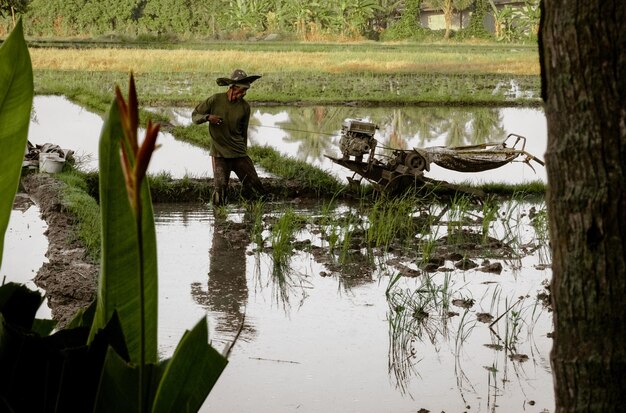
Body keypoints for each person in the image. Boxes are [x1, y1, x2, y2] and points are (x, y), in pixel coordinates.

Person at [192, 69, 264, 206]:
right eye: (242, 90)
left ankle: (254, 213)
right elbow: (195, 116)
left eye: (245, 91)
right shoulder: (215, 100)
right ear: (232, 88)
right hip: (219, 154)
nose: (244, 93)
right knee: (220, 191)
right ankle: (219, 223)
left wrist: (244, 151)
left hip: (238, 153)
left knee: (256, 187)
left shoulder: (244, 107)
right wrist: (208, 117)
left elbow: (244, 132)